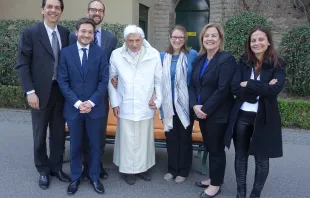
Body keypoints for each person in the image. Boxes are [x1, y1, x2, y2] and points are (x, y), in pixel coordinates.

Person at [225, 26, 286, 198]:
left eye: (260, 39)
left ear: (268, 42)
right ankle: (240, 193)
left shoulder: (278, 63)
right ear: (249, 43)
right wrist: (264, 87)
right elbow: (235, 87)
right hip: (242, 116)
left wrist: (249, 84)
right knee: (240, 157)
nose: (256, 43)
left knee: (261, 159)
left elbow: (275, 90)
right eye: (253, 40)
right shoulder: (244, 60)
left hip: (265, 117)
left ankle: (255, 194)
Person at [16, 0, 70, 190]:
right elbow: (23, 64)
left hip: (60, 92)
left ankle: (56, 168)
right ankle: (43, 170)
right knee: (39, 135)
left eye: (57, 7)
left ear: (61, 11)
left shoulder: (65, 33)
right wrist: (30, 91)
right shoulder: (30, 33)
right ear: (43, 10)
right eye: (50, 7)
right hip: (39, 93)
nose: (53, 10)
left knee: (58, 134)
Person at [57, 17, 109, 195]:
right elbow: (63, 82)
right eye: (84, 31)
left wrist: (91, 102)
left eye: (90, 32)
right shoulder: (66, 53)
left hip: (95, 109)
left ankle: (94, 177)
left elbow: (103, 81)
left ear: (94, 35)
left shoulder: (100, 53)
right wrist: (78, 103)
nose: (87, 35)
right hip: (74, 108)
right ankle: (75, 178)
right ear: (76, 32)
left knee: (95, 145)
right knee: (76, 146)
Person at [68, 0, 117, 180]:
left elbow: (111, 65)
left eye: (100, 10)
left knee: (98, 134)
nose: (96, 13)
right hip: (78, 96)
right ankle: (83, 165)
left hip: (99, 95)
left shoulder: (111, 38)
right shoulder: (74, 36)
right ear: (88, 11)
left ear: (103, 14)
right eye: (93, 9)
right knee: (80, 134)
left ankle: (96, 166)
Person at [108, 24, 162, 185]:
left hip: (145, 104)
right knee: (127, 139)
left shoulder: (153, 54)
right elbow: (111, 81)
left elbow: (159, 80)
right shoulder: (116, 54)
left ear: (142, 39)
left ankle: (143, 168)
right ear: (125, 40)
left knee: (144, 139)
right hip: (125, 103)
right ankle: (127, 170)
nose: (134, 44)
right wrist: (115, 103)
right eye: (130, 40)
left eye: (137, 40)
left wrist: (157, 99)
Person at [189, 23, 237, 198]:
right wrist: (195, 105)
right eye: (206, 35)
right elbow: (193, 85)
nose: (209, 39)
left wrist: (205, 109)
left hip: (218, 114)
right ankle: (213, 177)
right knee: (209, 147)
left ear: (220, 39)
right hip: (202, 113)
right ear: (202, 39)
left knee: (216, 150)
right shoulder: (200, 59)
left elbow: (223, 89)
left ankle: (216, 184)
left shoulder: (226, 59)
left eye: (213, 36)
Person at [159, 25, 198, 184]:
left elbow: (197, 78)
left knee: (184, 138)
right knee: (171, 138)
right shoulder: (162, 56)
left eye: (180, 38)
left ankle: (183, 170)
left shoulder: (192, 55)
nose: (177, 40)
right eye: (174, 37)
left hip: (185, 105)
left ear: (185, 39)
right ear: (170, 38)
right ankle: (172, 169)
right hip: (168, 105)